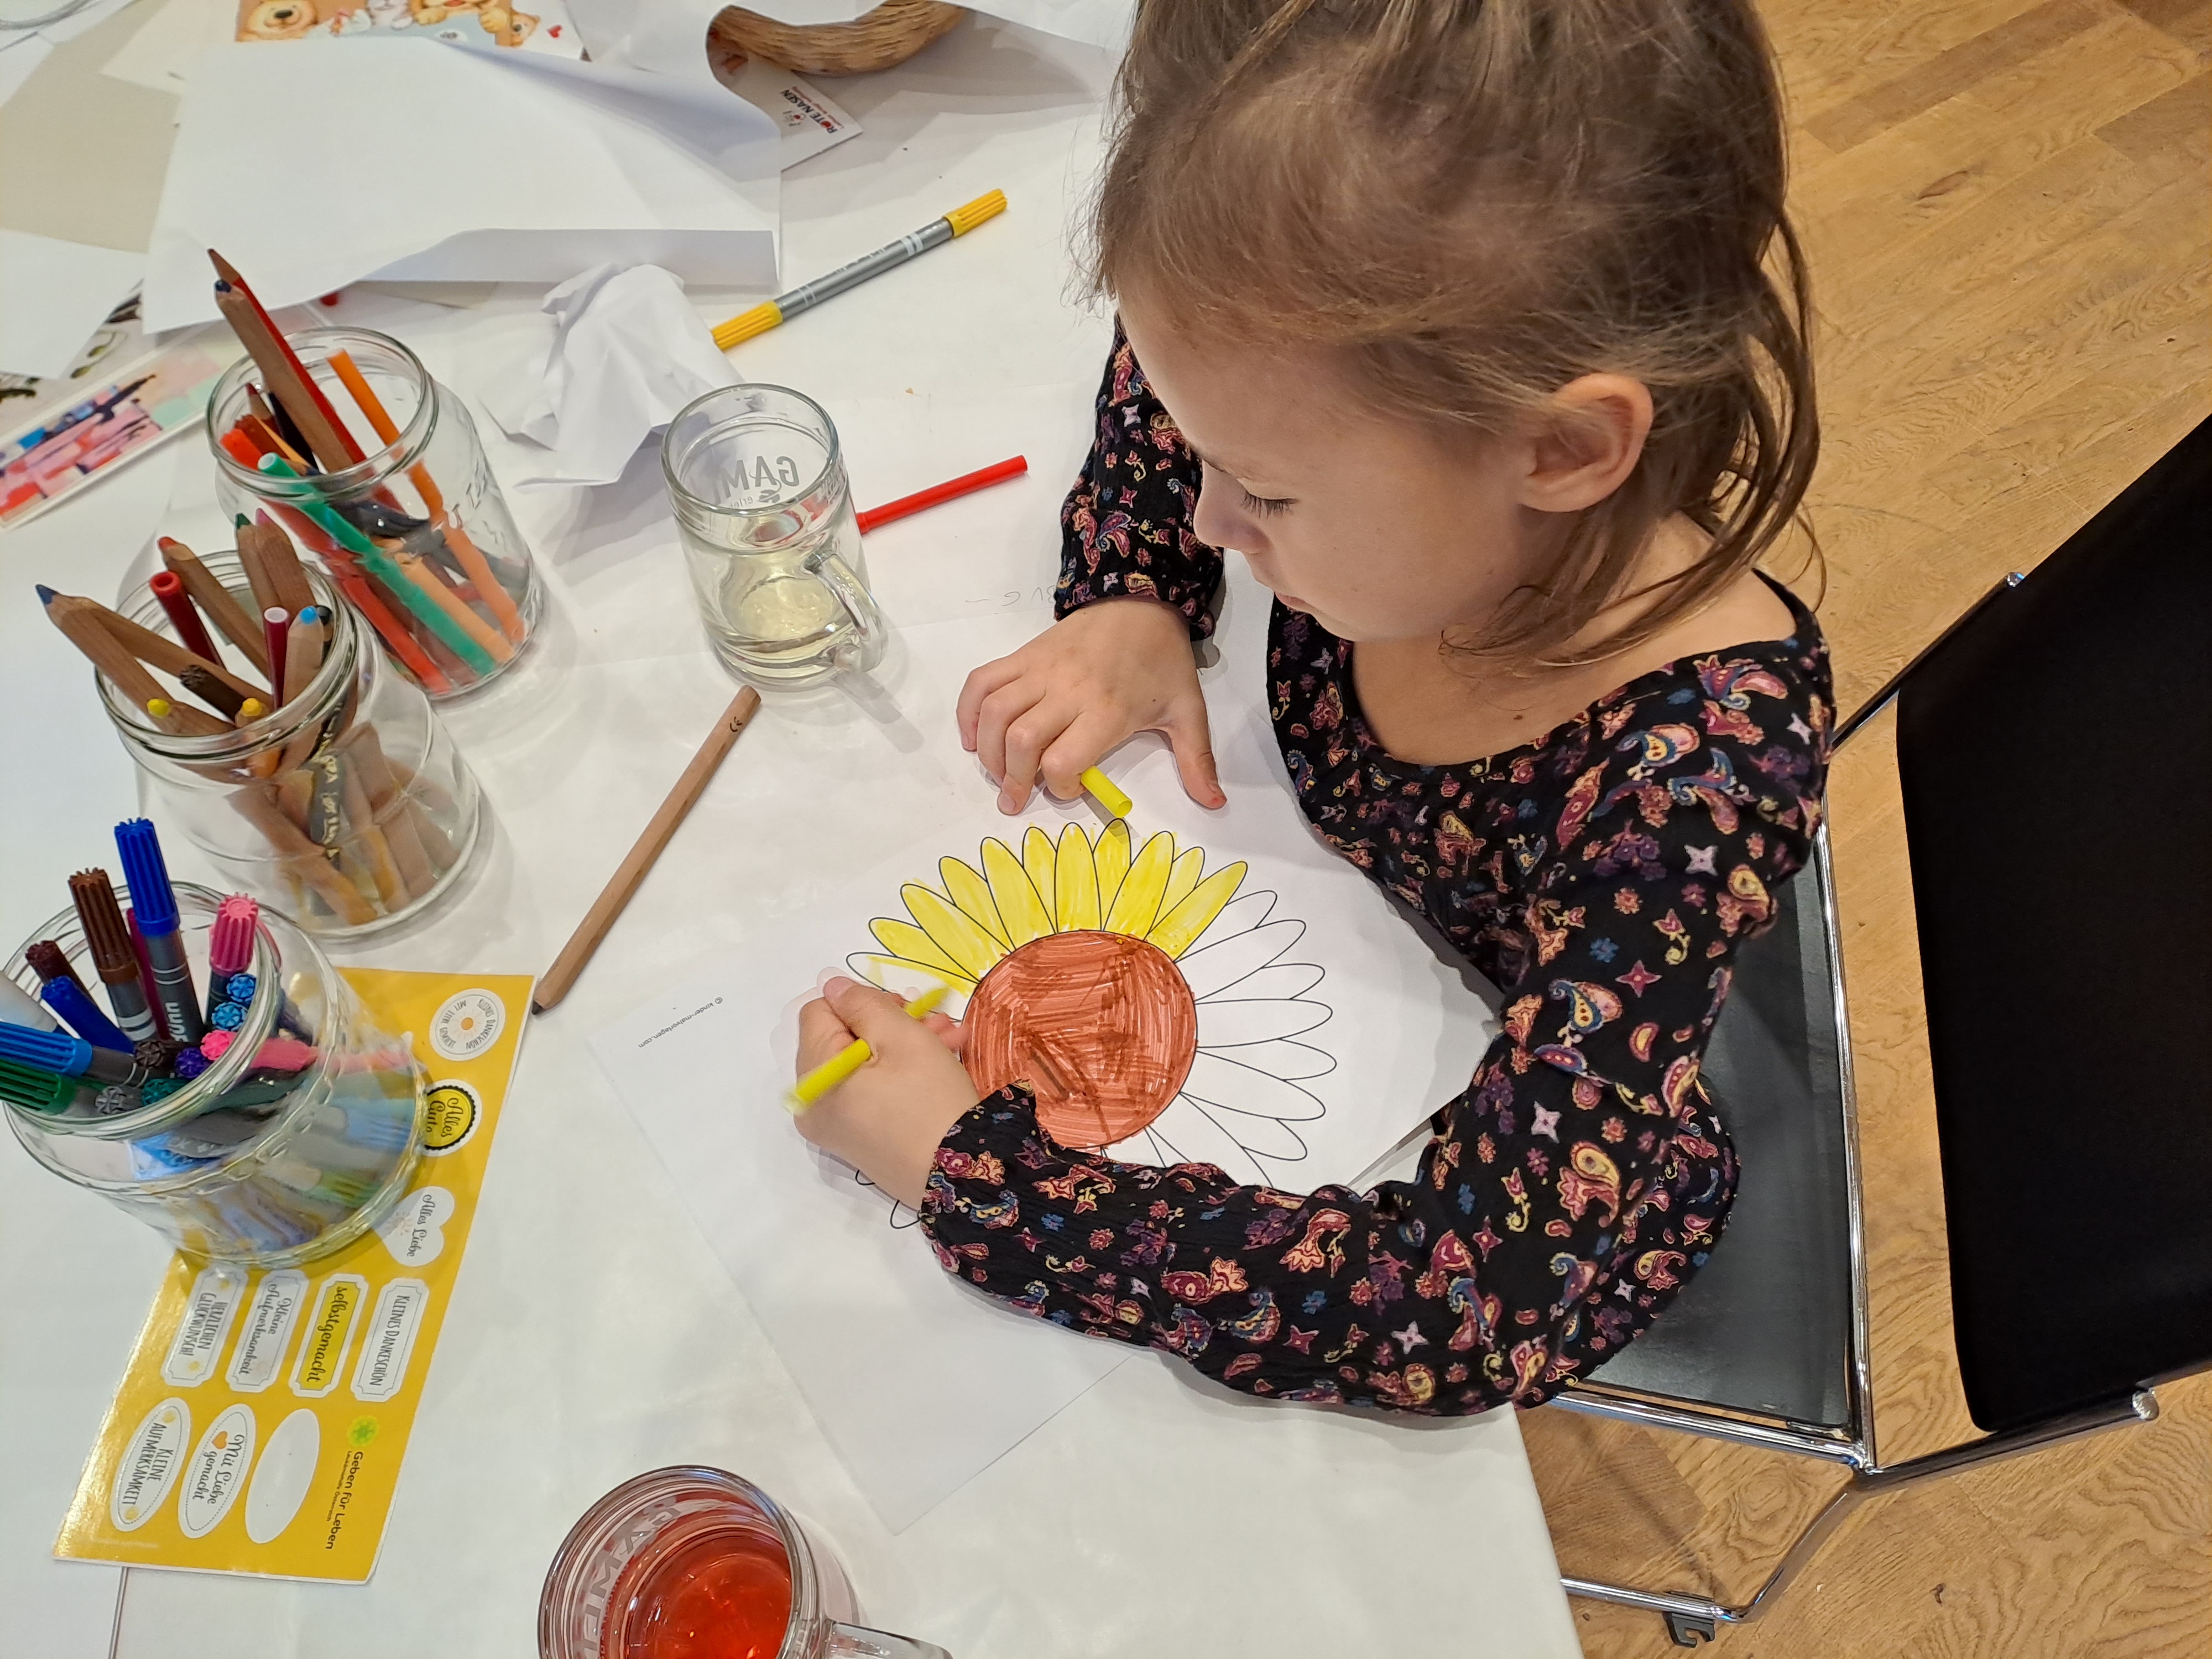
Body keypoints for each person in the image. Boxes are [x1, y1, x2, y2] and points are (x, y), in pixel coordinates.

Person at [792, 0, 1830, 1413]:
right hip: (1315, 924)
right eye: (1213, 466)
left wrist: (970, 1177)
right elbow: (1174, 381)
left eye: (1267, 496)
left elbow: (1463, 1313)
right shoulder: (1334, 392)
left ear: (1559, 450)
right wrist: (1137, 587)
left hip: (1508, 1153)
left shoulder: (1696, 778)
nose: (1213, 521)